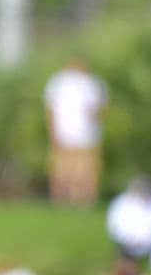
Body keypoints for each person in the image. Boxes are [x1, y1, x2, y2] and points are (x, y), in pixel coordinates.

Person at [43, 57, 108, 206]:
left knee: (86, 169)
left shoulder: (93, 84)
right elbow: (50, 110)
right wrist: (52, 130)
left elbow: (102, 110)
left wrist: (94, 116)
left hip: (87, 134)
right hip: (64, 132)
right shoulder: (59, 83)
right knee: (62, 168)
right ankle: (62, 199)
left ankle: (84, 199)